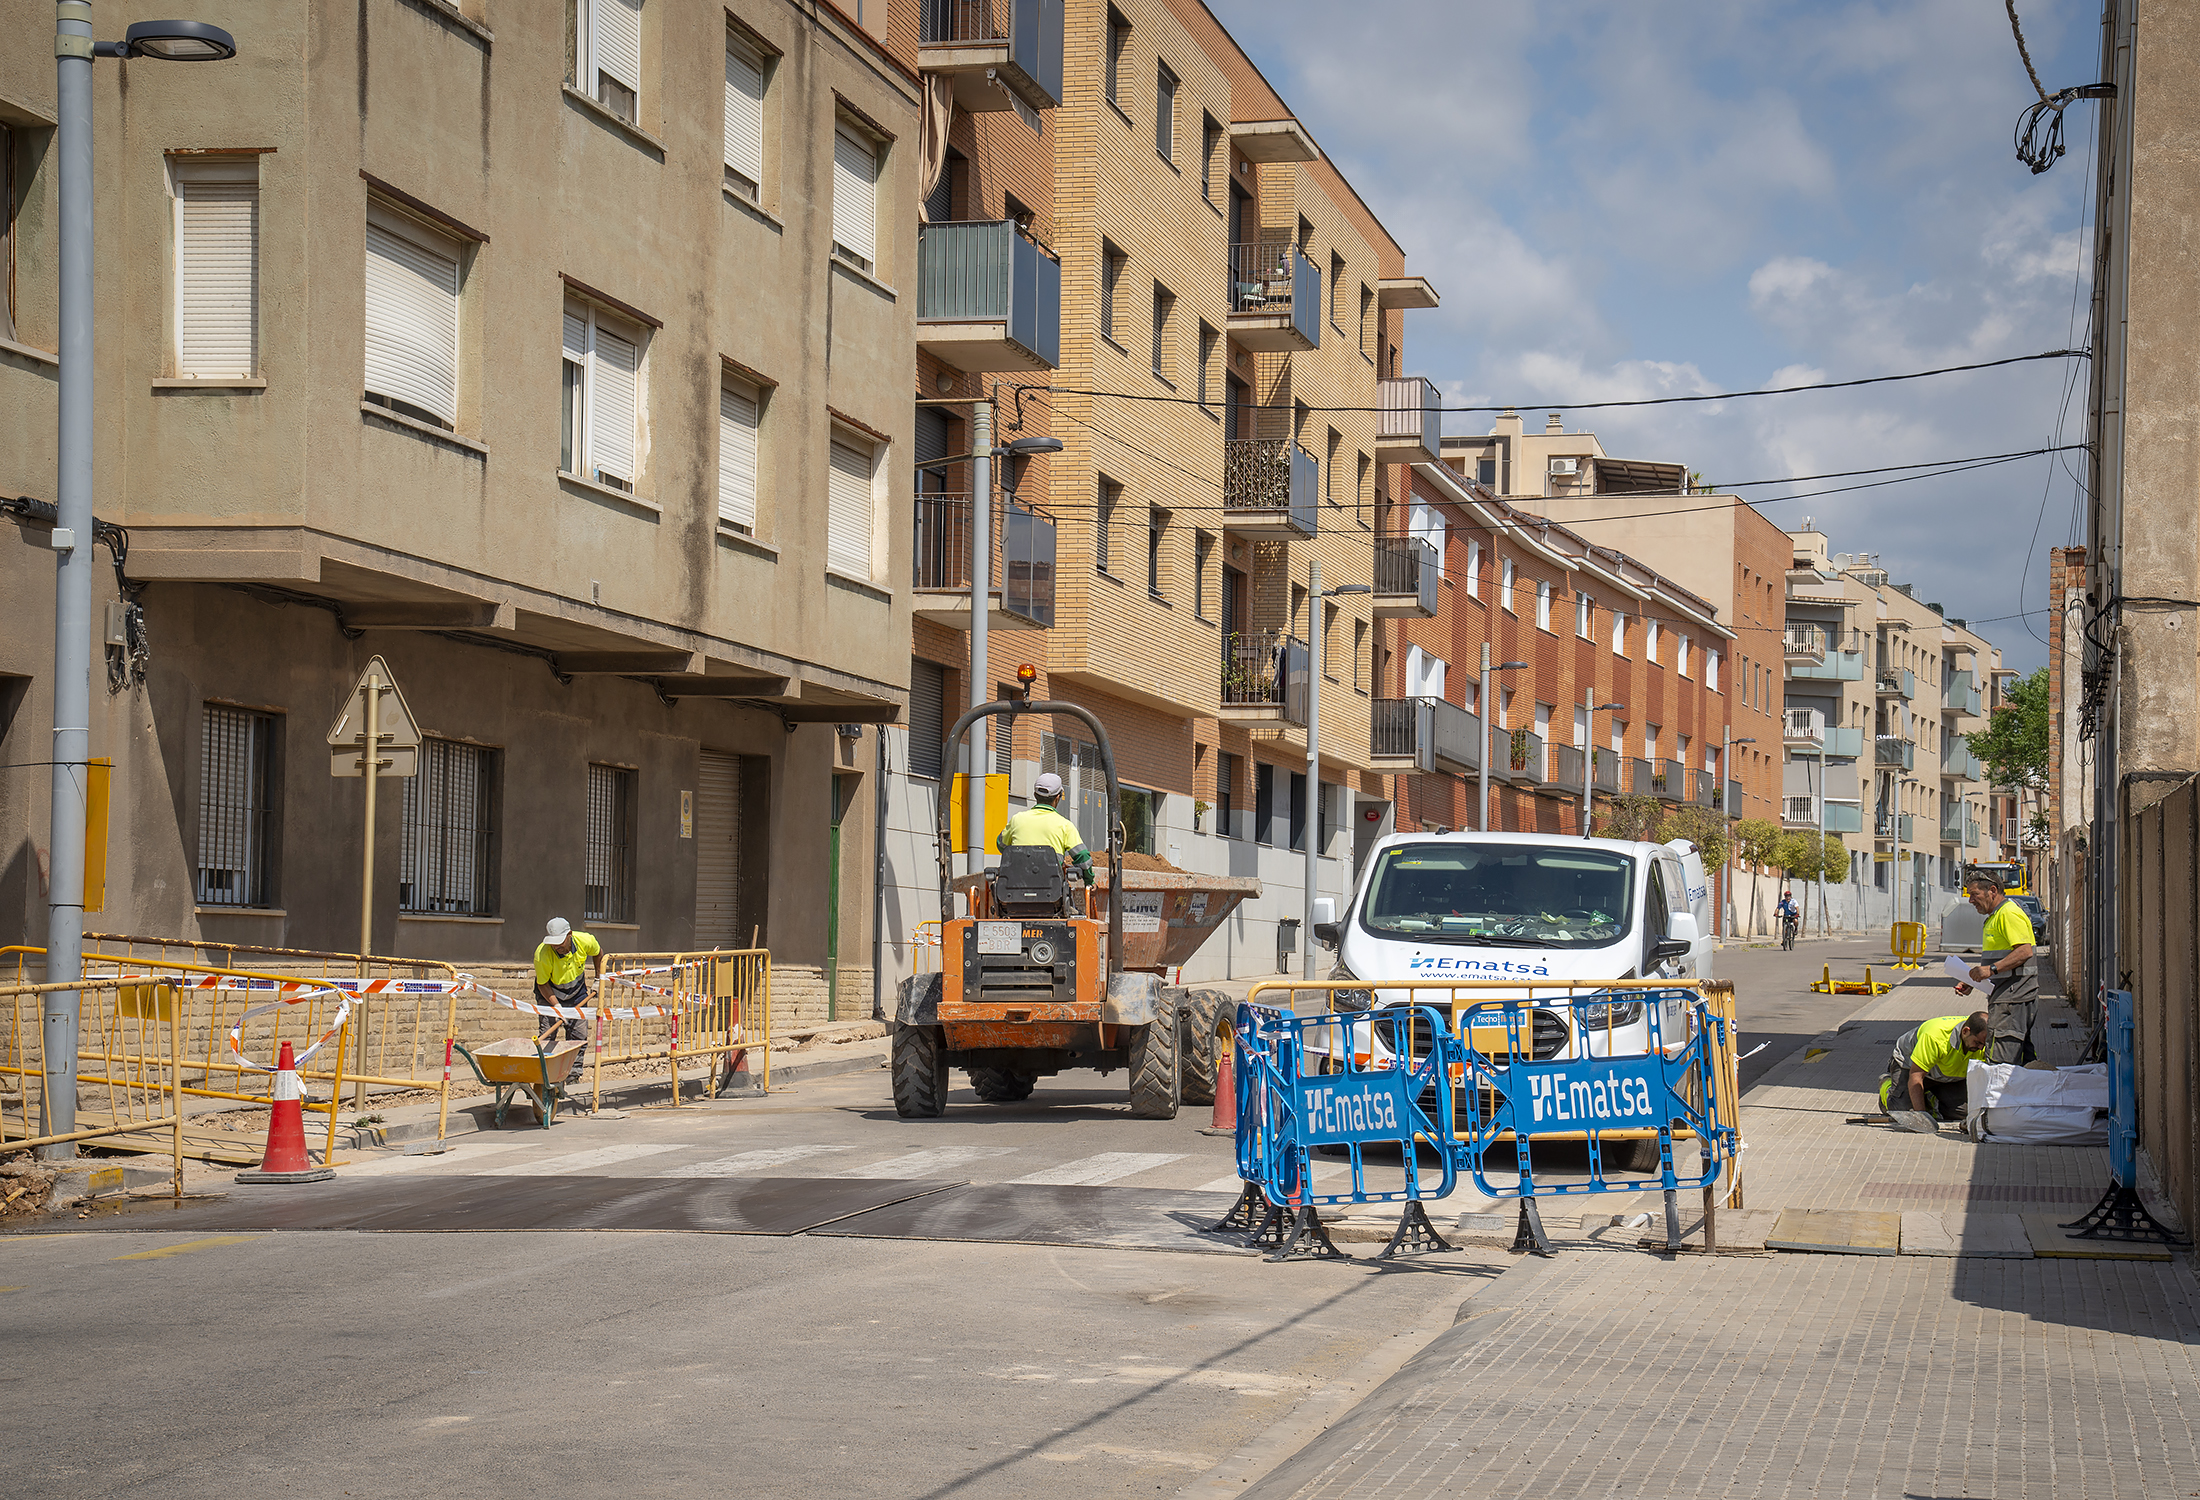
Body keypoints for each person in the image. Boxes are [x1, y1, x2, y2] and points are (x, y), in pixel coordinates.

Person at [1953, 870, 2038, 1064]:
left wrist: (1990, 970)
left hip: (2014, 998)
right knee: (2019, 1059)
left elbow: (2024, 952)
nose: (1970, 900)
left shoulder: (2008, 914)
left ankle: (2004, 1094)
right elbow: (2002, 959)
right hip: (2010, 996)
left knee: (2002, 1061)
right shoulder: (1997, 916)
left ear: (1992, 890)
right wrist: (1974, 979)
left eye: (1974, 894)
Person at [1879, 1011, 1992, 1122]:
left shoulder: (1982, 1035)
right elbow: (1916, 1075)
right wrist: (1922, 1118)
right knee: (1902, 1111)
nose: (1981, 1048)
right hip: (1909, 1065)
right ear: (1965, 1031)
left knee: (1963, 1113)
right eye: (1977, 1043)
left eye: (1984, 1043)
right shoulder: (1935, 1036)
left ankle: (1930, 1098)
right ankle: (1887, 1085)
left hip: (1946, 1073)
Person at [533, 917, 603, 1085]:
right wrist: (556, 1007)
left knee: (579, 1036)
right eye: (553, 943)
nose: (557, 947)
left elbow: (599, 954)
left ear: (569, 935)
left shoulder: (585, 941)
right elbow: (542, 984)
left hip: (577, 992)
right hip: (550, 994)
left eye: (560, 942)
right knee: (548, 1035)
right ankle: (547, 1076)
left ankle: (573, 1076)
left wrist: (599, 979)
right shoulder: (542, 954)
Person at [997, 772, 1094, 886]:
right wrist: (1089, 882)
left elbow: (1001, 844)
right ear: (1058, 797)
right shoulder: (1064, 825)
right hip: (1052, 891)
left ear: (1035, 795)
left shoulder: (1016, 819)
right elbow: (1083, 856)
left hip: (1015, 888)